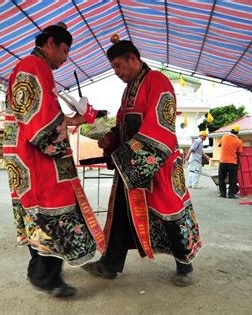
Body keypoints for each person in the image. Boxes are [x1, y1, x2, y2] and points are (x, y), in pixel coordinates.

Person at [82, 35, 202, 287]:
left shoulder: (157, 81)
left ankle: (184, 264)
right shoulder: (128, 91)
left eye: (118, 65)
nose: (116, 72)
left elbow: (161, 125)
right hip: (132, 166)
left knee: (170, 214)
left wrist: (126, 156)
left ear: (133, 59)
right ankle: (109, 264)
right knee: (121, 215)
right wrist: (111, 138)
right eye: (113, 67)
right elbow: (122, 124)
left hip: (159, 164)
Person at [2, 22, 105, 298]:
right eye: (64, 51)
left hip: (26, 156)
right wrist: (70, 125)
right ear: (49, 43)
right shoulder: (34, 68)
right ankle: (46, 277)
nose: (65, 59)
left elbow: (41, 115)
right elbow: (40, 125)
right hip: (37, 158)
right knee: (51, 212)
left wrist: (74, 120)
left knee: (38, 213)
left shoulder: (32, 68)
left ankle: (40, 269)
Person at [218, 124, 243, 198]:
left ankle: (223, 194)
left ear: (231, 130)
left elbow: (219, 145)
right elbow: (239, 154)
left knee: (221, 178)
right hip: (232, 162)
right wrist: (238, 164)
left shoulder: (224, 137)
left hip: (223, 162)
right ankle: (231, 194)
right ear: (237, 132)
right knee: (233, 179)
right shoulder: (239, 141)